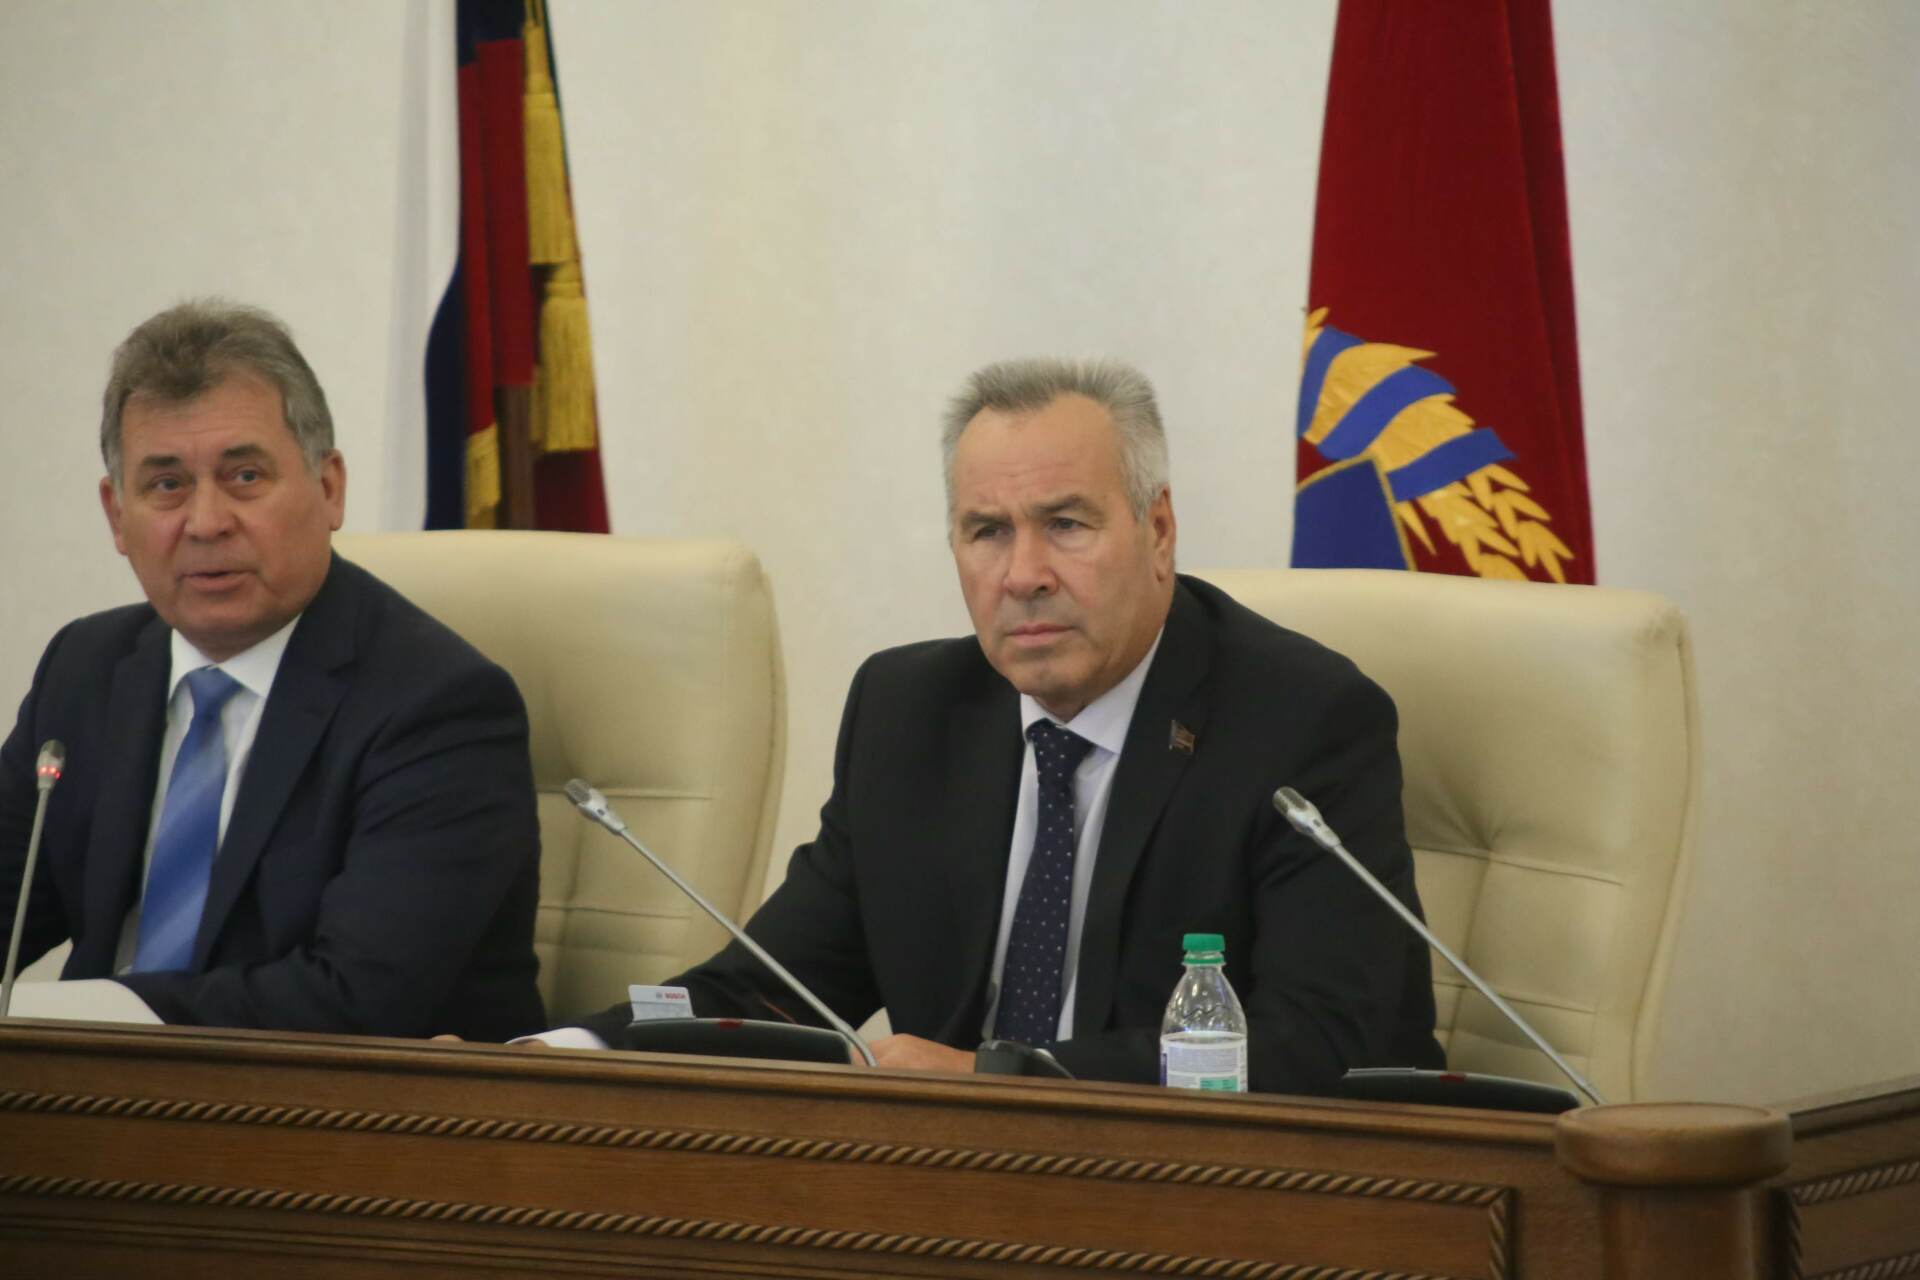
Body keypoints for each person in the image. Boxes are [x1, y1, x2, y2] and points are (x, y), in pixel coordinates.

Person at [554, 358, 1442, 1093]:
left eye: (1066, 524)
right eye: (987, 531)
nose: (1024, 574)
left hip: (1216, 1192)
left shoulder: (1302, 720)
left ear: (1159, 530)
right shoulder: (909, 713)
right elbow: (771, 989)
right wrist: (570, 1051)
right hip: (949, 1190)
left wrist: (996, 1077)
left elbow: (1319, 1042)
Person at [0, 299, 544, 1041]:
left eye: (245, 476)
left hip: (331, 1104)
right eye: (166, 485)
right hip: (74, 1101)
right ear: (117, 515)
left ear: (329, 487)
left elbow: (354, 1001)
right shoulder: (87, 668)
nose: (206, 522)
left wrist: (78, 1016)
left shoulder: (440, 707)